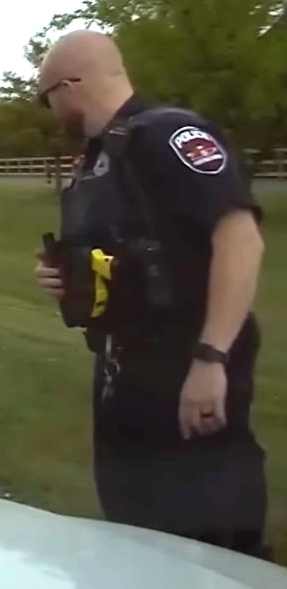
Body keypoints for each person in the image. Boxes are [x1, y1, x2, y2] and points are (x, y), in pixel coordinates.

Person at [33, 30, 270, 559]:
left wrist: (211, 358)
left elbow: (239, 238)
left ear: (69, 85)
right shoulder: (99, 162)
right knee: (134, 537)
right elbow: (112, 261)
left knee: (209, 546)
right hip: (124, 377)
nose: (49, 111)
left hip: (187, 371)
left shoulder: (167, 134)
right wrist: (64, 279)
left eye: (47, 96)